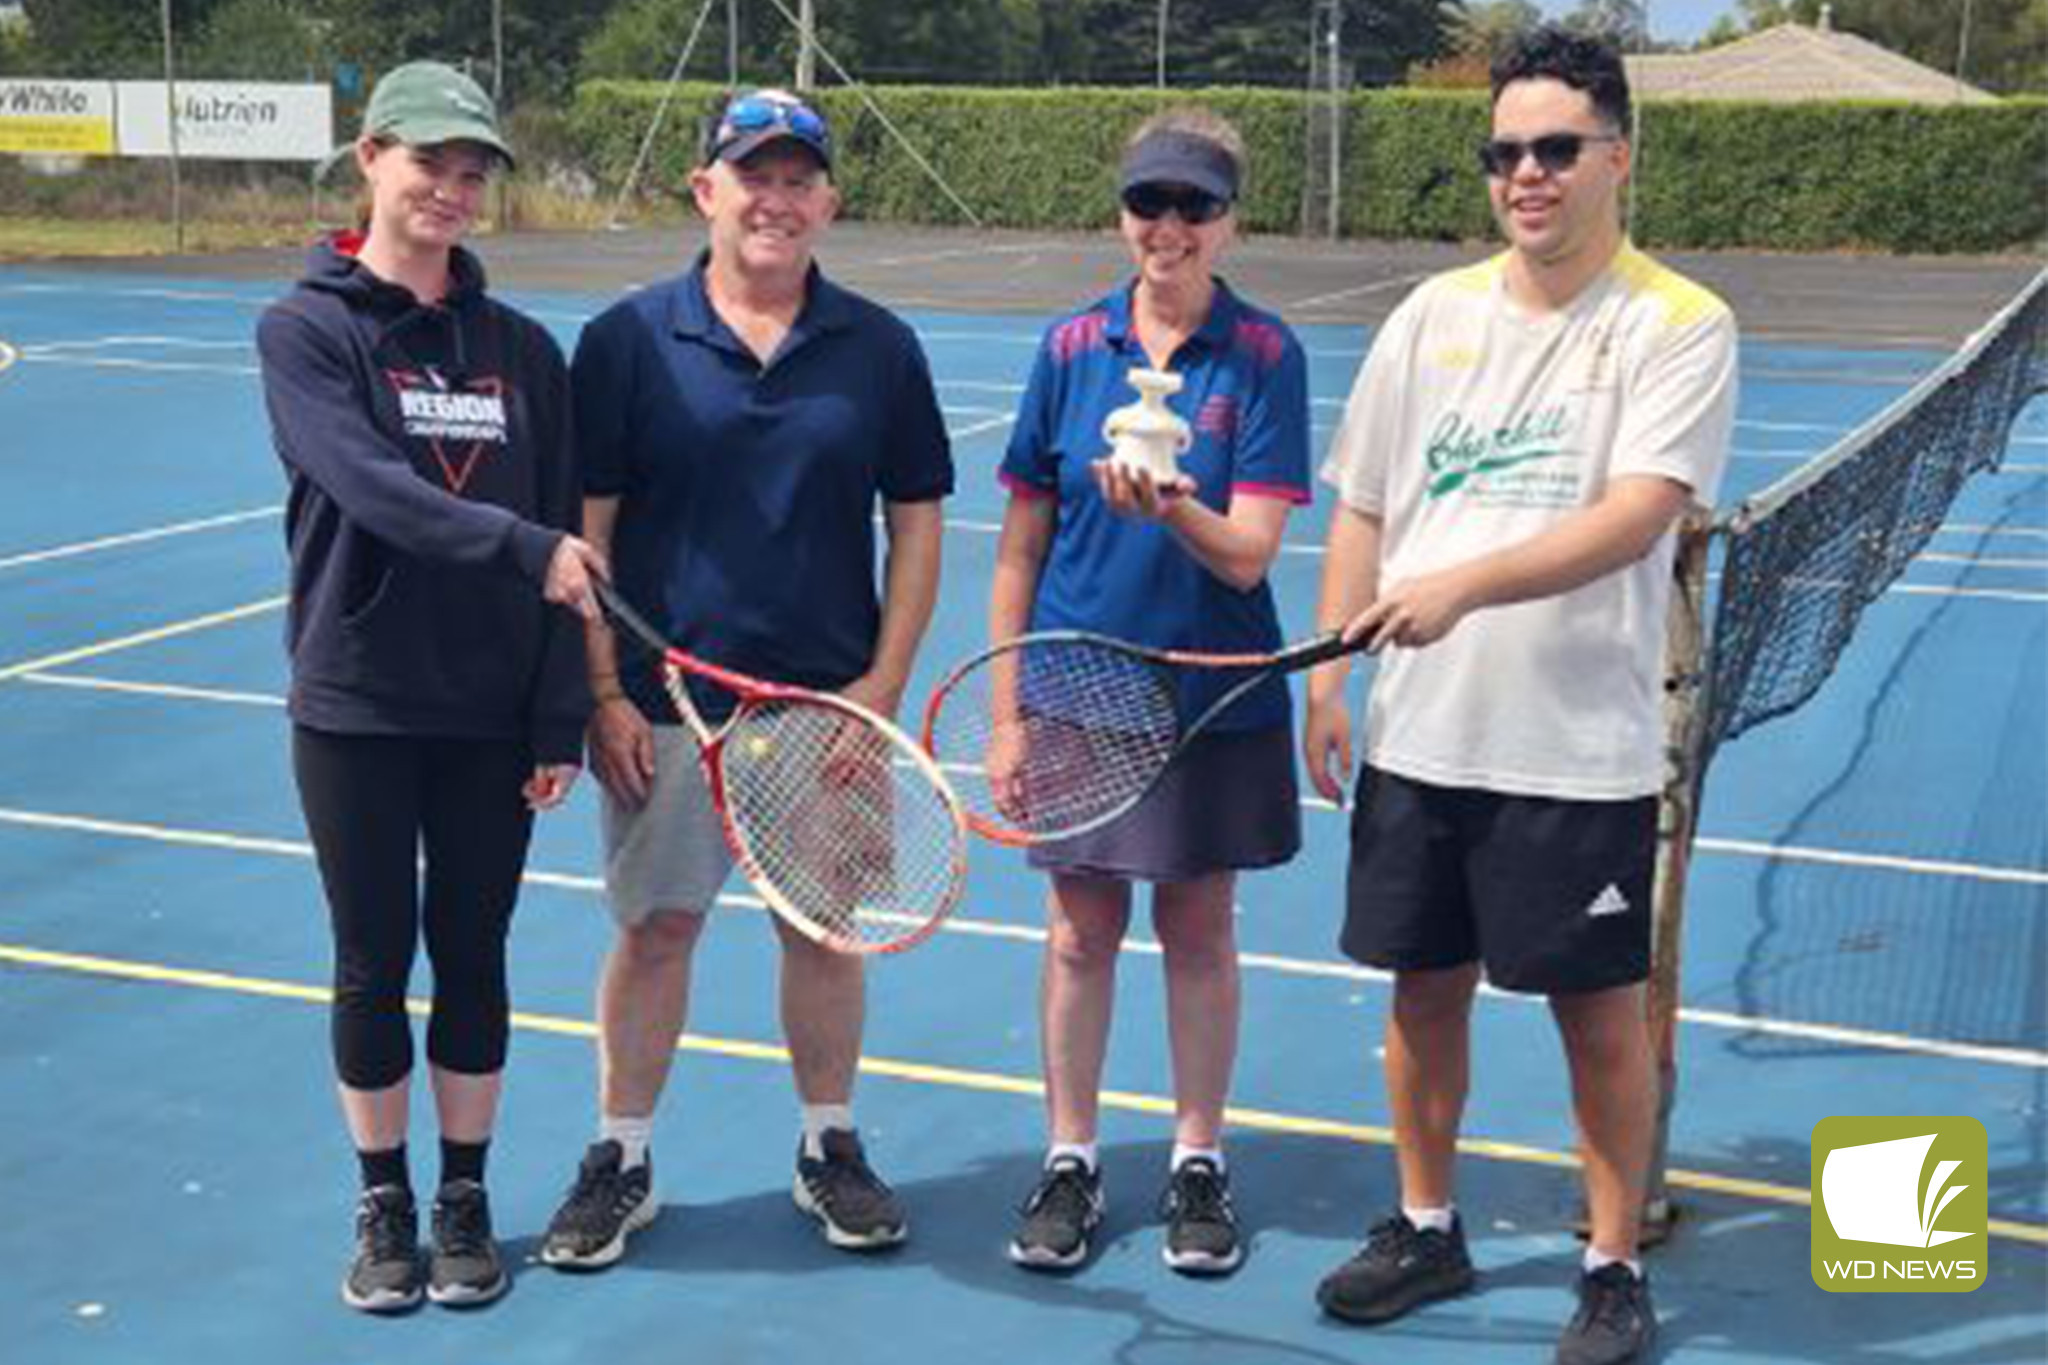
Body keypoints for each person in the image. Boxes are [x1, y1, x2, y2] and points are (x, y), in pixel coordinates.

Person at [1303, 27, 1738, 1365]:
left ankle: (1611, 1266)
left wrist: (1466, 589)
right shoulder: (1429, 318)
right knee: (1420, 994)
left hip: (1578, 749)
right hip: (1422, 739)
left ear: (1618, 155)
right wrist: (1331, 674)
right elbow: (1366, 506)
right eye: (1505, 153)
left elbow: (1638, 517)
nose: (1527, 175)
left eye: (1556, 149)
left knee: (1595, 1014)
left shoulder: (1679, 323)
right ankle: (1427, 1224)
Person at [538, 88, 953, 1269]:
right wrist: (604, 691)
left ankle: (828, 1142)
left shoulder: (878, 347)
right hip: (667, 705)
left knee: (820, 934)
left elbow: (914, 526)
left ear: (826, 199)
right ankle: (620, 1154)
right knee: (656, 929)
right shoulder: (626, 340)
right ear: (704, 189)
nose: (775, 199)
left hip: (823, 708)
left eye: (797, 178)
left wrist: (878, 691)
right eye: (751, 174)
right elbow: (589, 527)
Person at [255, 60, 607, 1314]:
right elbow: (369, 487)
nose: (452, 191)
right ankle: (382, 1199)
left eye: (473, 173)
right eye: (431, 164)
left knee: (473, 954)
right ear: (371, 159)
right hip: (355, 703)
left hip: (487, 711)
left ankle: (464, 1195)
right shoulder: (307, 329)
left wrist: (556, 706)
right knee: (369, 960)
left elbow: (566, 523)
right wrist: (528, 551)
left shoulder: (519, 349)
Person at [991, 108, 1311, 1278]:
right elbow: (1020, 545)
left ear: (1229, 219)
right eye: (1148, 204)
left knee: (1197, 929)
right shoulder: (1069, 347)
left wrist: (1168, 502)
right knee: (1078, 933)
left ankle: (1195, 1160)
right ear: (1121, 211)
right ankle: (1069, 1158)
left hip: (1211, 692)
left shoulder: (1265, 356)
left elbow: (1247, 555)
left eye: (1193, 206)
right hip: (1078, 684)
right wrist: (1005, 711)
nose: (1167, 228)